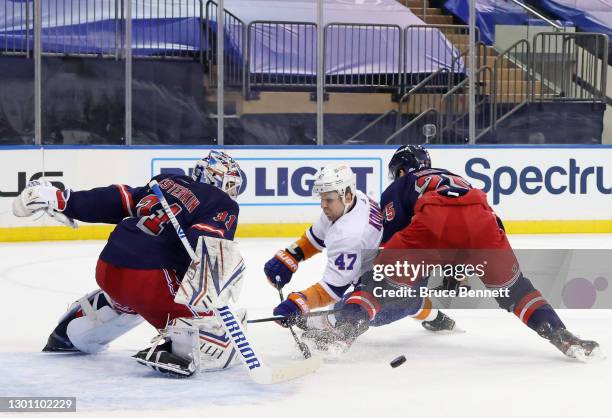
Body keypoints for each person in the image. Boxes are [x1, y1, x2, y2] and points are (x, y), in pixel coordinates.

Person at [302, 145, 600, 360]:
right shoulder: (457, 179)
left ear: (401, 170)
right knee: (516, 289)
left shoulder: (402, 185)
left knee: (377, 280)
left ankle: (342, 333)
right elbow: (488, 222)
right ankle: (562, 335)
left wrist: (375, 280)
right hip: (484, 226)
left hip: (436, 222)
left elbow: (394, 243)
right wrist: (464, 268)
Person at [12, 150, 247, 376]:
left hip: (109, 266)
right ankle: (177, 348)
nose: (232, 192)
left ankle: (73, 331)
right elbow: (208, 246)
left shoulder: (166, 182)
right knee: (206, 322)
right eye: (231, 184)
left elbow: (116, 199)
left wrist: (65, 200)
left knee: (133, 300)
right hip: (146, 276)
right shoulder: (222, 204)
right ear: (217, 179)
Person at [264, 164, 455, 353]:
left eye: (328, 200)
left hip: (389, 283)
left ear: (346, 195)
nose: (323, 205)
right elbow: (315, 238)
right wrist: (290, 256)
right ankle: (435, 317)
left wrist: (298, 302)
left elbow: (331, 290)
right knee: (406, 299)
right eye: (322, 199)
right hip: (397, 273)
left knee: (354, 311)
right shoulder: (354, 199)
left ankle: (339, 338)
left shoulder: (349, 235)